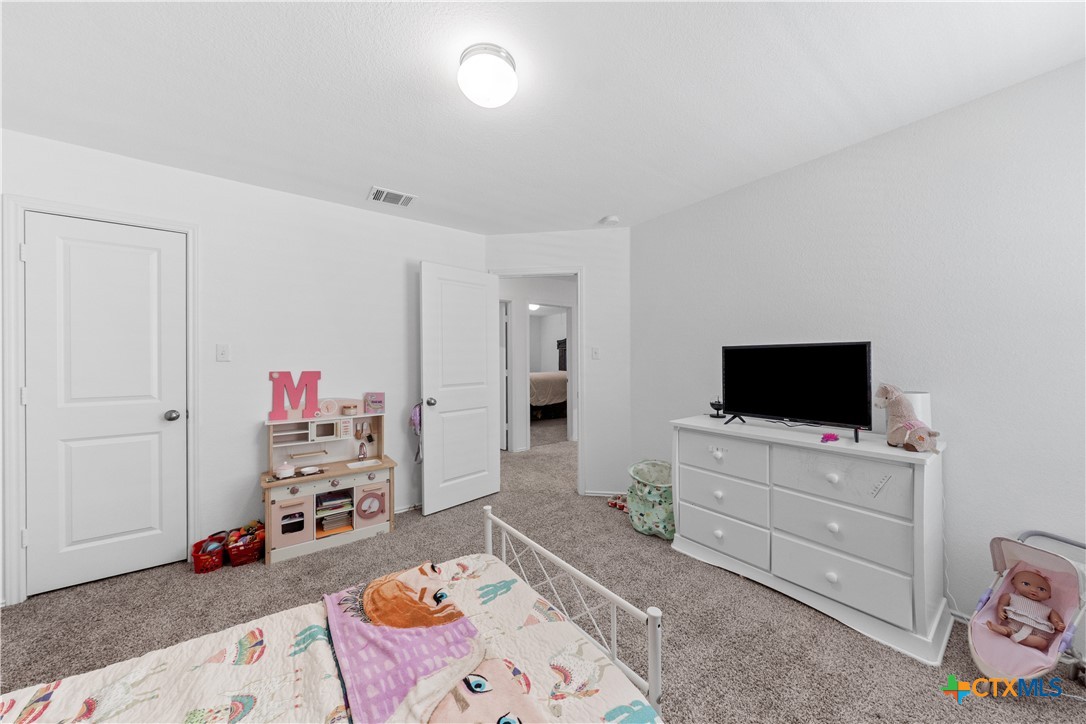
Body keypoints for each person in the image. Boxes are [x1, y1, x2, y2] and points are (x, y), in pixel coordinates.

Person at [985, 569, 1065, 649]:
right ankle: (1009, 632)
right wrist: (1000, 610)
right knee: (1009, 629)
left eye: (1041, 589)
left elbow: (1056, 619)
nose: (1033, 590)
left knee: (1043, 643)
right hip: (1015, 625)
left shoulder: (1048, 609)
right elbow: (1002, 603)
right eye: (1026, 584)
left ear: (1049, 596)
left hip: (1036, 632)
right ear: (1013, 582)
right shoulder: (1012, 596)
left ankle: (1011, 634)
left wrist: (1058, 625)